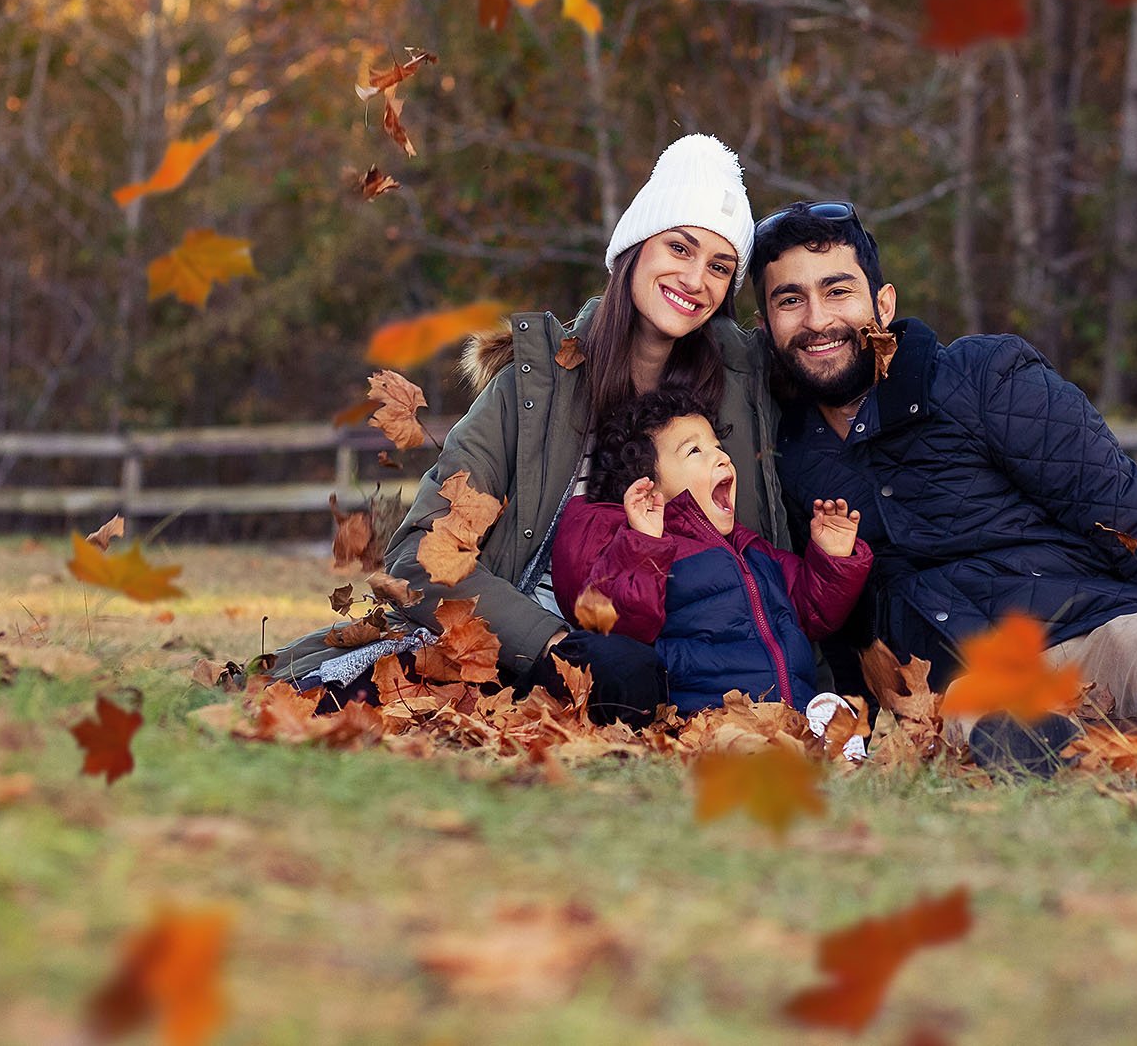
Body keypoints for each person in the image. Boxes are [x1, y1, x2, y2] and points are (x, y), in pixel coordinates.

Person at [748, 200, 1137, 778]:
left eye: (838, 291)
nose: (818, 319)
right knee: (988, 731)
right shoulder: (789, 456)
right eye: (790, 300)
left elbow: (1121, 506)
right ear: (767, 323)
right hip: (963, 690)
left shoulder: (979, 377)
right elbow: (824, 615)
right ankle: (1133, 771)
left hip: (1094, 633)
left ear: (882, 304)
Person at [269, 135, 790, 725]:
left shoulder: (737, 402)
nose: (696, 279)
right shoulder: (536, 387)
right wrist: (550, 646)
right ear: (637, 247)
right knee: (352, 699)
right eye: (680, 247)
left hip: (681, 674)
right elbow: (421, 555)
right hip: (523, 647)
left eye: (719, 267)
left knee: (634, 683)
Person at [549, 385, 871, 714]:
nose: (722, 457)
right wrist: (644, 542)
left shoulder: (753, 550)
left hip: (790, 717)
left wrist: (832, 559)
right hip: (706, 720)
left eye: (718, 446)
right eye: (695, 451)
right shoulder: (648, 547)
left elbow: (810, 612)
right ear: (649, 488)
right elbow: (624, 625)